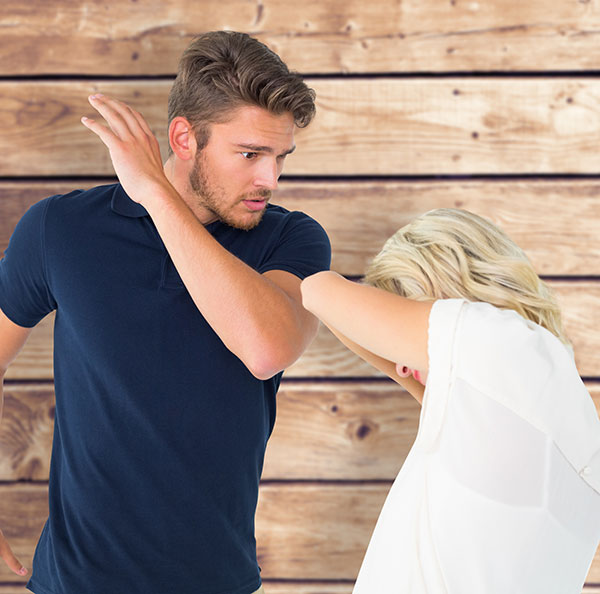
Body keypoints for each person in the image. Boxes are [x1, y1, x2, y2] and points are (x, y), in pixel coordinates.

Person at [0, 31, 330, 594]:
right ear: (184, 138)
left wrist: (156, 193)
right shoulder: (62, 229)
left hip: (216, 582)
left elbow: (266, 350)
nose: (269, 179)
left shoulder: (291, 240)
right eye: (250, 154)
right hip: (74, 583)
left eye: (280, 158)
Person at [300, 208, 600, 594]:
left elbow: (317, 290)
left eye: (402, 312)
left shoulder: (495, 341)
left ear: (451, 292)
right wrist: (405, 370)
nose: (401, 366)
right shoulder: (550, 399)